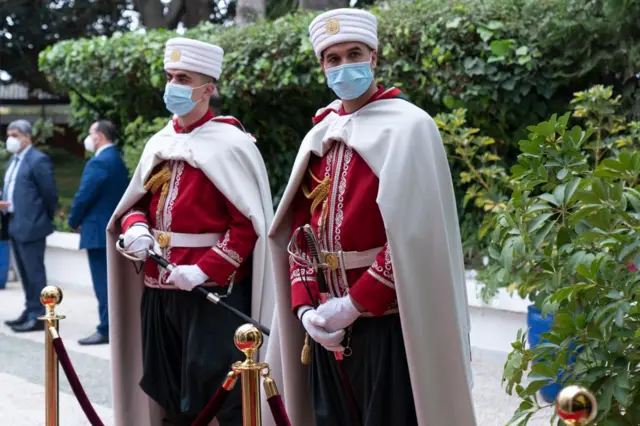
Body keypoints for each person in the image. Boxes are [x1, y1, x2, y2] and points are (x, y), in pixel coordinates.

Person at [263, 8, 476, 426]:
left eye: (353, 53)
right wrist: (307, 308)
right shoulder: (318, 135)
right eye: (333, 58)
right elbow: (299, 235)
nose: (343, 66)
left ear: (374, 57)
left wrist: (355, 304)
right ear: (322, 66)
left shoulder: (410, 127)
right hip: (327, 328)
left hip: (391, 326)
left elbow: (414, 238)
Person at [105, 37, 275, 426]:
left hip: (210, 292)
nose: (173, 86)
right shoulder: (160, 142)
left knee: (223, 393)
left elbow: (247, 225)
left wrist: (204, 270)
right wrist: (137, 230)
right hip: (160, 289)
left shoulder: (231, 144)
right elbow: (136, 204)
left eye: (184, 78)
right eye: (169, 77)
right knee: (168, 394)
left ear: (208, 88)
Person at [67, 120, 128, 345]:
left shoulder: (99, 162)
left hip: (97, 232)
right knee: (112, 283)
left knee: (103, 284)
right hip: (112, 231)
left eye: (90, 133)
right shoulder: (117, 159)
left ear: (99, 136)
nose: (88, 138)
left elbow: (83, 196)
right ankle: (114, 326)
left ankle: (106, 329)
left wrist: (73, 221)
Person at [1, 119, 58, 332]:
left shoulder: (38, 160)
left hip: (32, 225)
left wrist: (42, 218)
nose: (10, 139)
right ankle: (30, 309)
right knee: (25, 274)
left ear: (27, 136)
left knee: (35, 274)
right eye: (8, 135)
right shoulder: (14, 161)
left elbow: (49, 195)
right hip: (14, 223)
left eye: (15, 135)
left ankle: (40, 315)